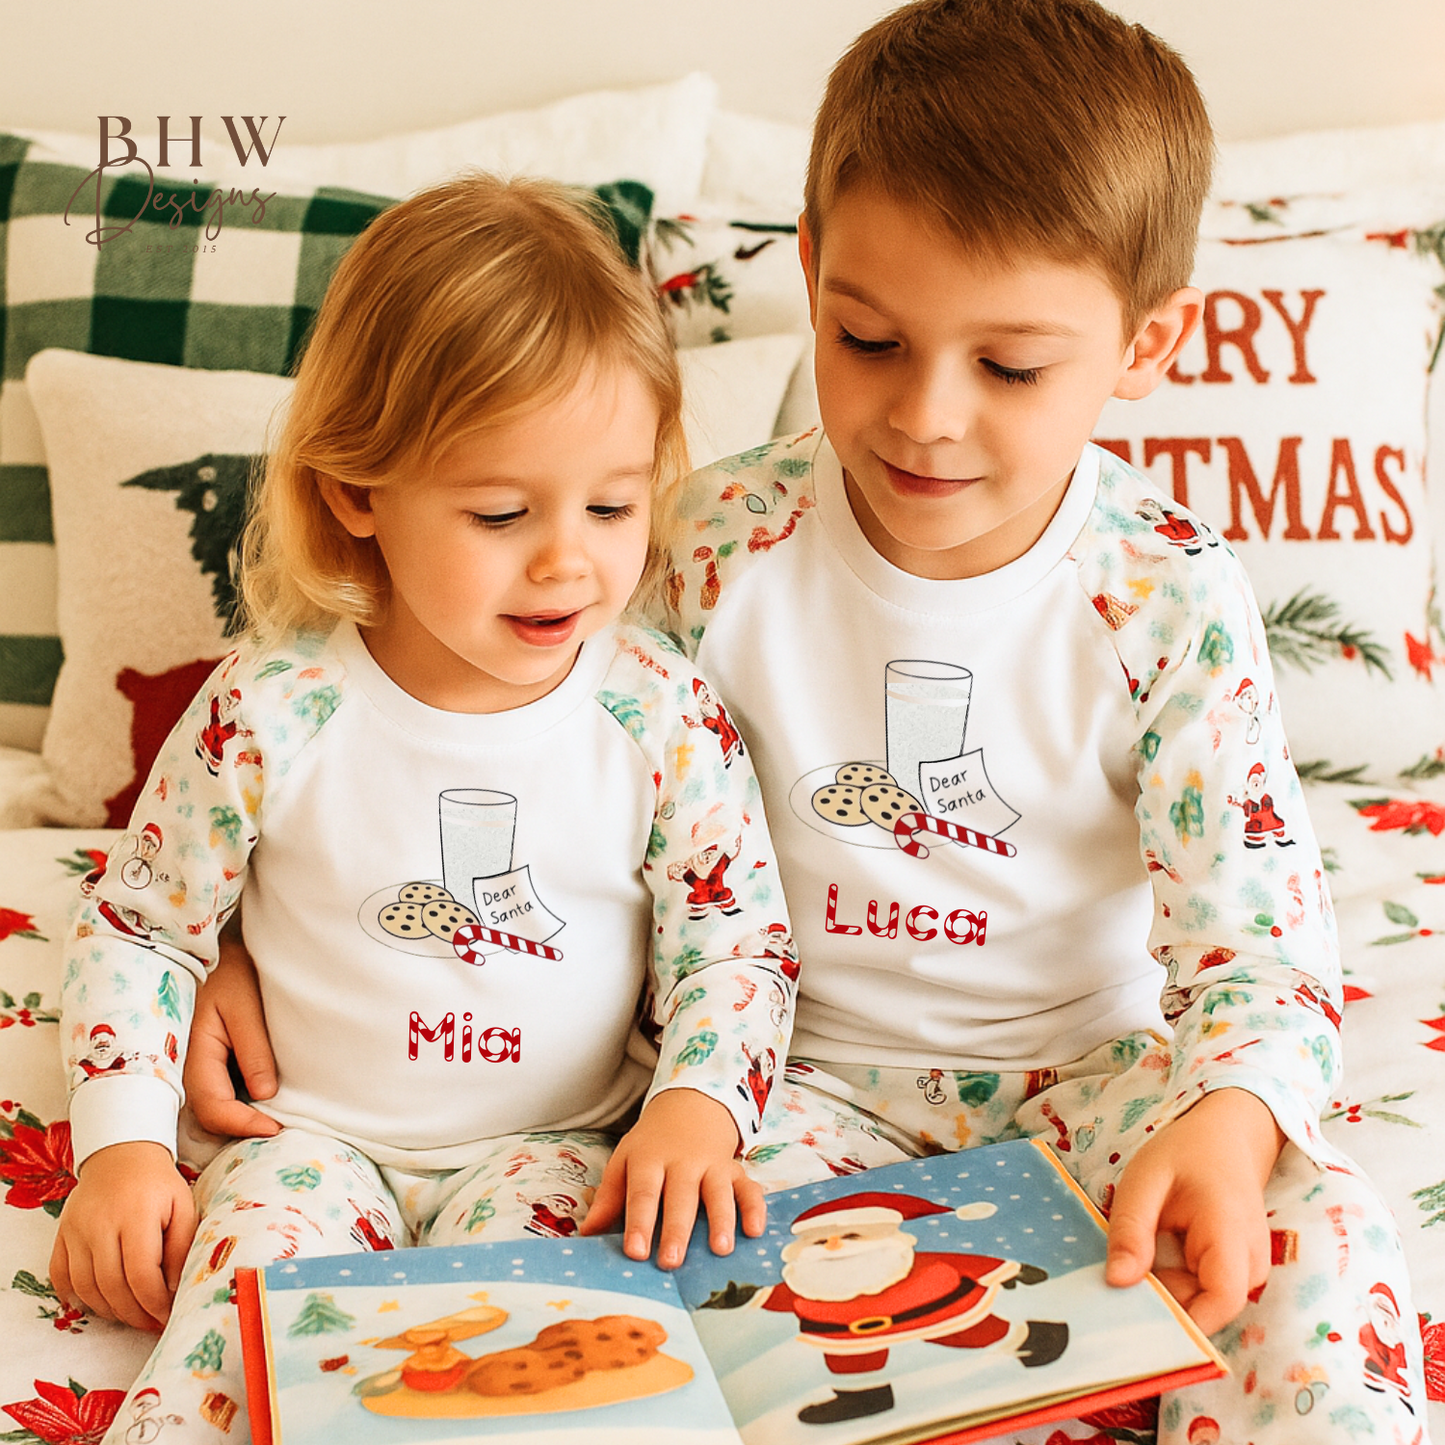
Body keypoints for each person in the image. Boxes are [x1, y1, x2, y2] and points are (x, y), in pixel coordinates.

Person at [185, 3, 1432, 1440]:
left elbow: (1259, 942)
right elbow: (471, 732)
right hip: (777, 1085)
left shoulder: (1165, 596)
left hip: (1094, 1071)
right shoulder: (712, 544)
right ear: (811, 270)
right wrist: (235, 932)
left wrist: (1227, 1117)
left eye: (1010, 367)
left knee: (1313, 1225)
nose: (927, 416)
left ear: (1147, 344)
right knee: (655, 1285)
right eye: (869, 339)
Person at [51, 173, 801, 1442]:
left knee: (563, 1385)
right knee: (225, 1362)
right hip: (308, 1144)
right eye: (502, 513)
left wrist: (700, 1100)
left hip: (554, 1147)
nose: (569, 557)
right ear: (358, 491)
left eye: (612, 506)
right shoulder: (274, 708)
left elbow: (736, 945)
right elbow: (143, 927)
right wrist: (119, 1141)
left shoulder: (660, 715)